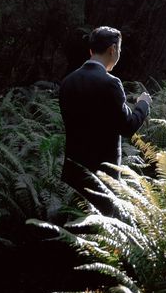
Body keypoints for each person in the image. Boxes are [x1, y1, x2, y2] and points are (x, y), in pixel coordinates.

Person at [59, 26, 151, 213]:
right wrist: (143, 105)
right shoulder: (111, 83)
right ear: (112, 49)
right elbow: (127, 127)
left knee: (75, 229)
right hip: (104, 176)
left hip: (73, 174)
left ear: (91, 50)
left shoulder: (68, 82)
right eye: (119, 49)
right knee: (103, 231)